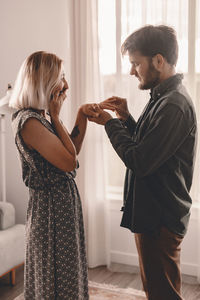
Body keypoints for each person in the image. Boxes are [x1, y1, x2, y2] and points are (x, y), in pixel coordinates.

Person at [88, 25, 197, 300]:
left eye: (136, 63)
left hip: (160, 217)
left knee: (163, 294)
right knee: (157, 291)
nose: (131, 71)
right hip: (154, 213)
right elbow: (149, 147)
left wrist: (111, 124)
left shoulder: (173, 104)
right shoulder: (162, 97)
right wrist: (125, 118)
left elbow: (140, 160)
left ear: (158, 61)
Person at [9, 51, 98, 300]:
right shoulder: (30, 122)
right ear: (44, 82)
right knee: (56, 276)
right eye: (61, 77)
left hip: (60, 205)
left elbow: (69, 153)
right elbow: (70, 162)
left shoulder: (40, 117)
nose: (66, 85)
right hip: (51, 210)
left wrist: (80, 114)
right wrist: (57, 116)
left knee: (68, 271)